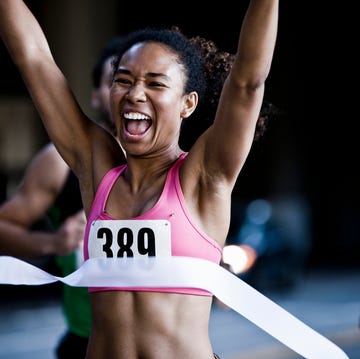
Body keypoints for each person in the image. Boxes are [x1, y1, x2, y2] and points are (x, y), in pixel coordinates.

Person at [0, 0, 279, 357]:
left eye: (155, 83)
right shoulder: (96, 169)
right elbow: (33, 57)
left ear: (187, 104)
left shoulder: (204, 177)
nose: (135, 93)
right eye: (124, 80)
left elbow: (247, 82)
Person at [0, 36, 124, 358]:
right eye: (118, 81)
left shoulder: (174, 167)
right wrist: (54, 243)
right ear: (96, 96)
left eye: (147, 81)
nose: (132, 93)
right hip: (86, 342)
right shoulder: (58, 162)